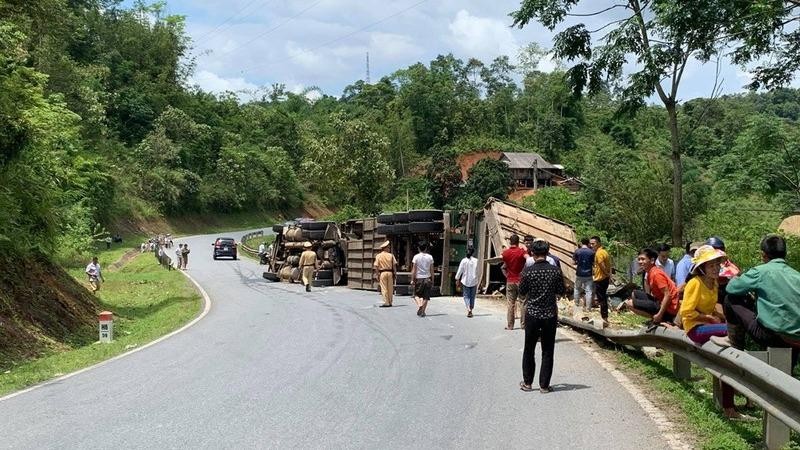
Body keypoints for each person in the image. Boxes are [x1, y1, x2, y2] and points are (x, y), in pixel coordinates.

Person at [712, 235, 800, 370]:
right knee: (785, 375)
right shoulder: (796, 276)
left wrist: (735, 278)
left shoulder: (760, 272)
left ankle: (733, 341)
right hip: (796, 338)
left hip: (769, 335)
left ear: (763, 255)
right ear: (785, 254)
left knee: (731, 299)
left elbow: (731, 288)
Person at [680, 245, 746, 419]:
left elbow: (711, 308)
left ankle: (729, 407)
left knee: (728, 358)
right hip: (695, 328)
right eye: (711, 265)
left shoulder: (714, 283)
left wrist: (719, 315)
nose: (716, 268)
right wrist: (708, 318)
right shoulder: (695, 283)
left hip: (708, 324)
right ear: (702, 268)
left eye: (717, 265)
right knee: (732, 330)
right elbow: (686, 312)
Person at [518, 239, 565, 393]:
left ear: (532, 253)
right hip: (550, 314)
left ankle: (528, 383)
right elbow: (561, 291)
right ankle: (544, 385)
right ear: (547, 252)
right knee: (547, 350)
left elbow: (522, 292)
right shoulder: (555, 270)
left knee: (529, 349)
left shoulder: (527, 271)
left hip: (531, 313)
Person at [624, 248, 680, 324]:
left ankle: (659, 318)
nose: (640, 262)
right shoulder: (650, 272)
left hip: (670, 309)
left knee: (629, 303)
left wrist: (659, 314)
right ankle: (655, 315)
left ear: (652, 260)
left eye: (643, 259)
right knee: (634, 293)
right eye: (639, 259)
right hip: (659, 301)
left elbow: (668, 295)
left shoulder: (656, 274)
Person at [502, 234, 529, 330]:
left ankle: (510, 325)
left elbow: (504, 265)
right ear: (518, 242)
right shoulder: (521, 252)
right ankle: (523, 325)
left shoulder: (505, 253)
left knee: (510, 304)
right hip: (521, 280)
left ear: (510, 242)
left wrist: (507, 276)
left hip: (510, 281)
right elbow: (528, 259)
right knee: (523, 303)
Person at [590, 236, 612, 322]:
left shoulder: (599, 253)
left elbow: (601, 264)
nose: (591, 245)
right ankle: (605, 316)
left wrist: (606, 274)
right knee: (603, 298)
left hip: (600, 279)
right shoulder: (604, 252)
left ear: (598, 243)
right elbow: (609, 265)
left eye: (593, 243)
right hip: (604, 278)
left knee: (601, 299)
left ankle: (604, 318)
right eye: (590, 244)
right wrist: (609, 275)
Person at [411, 242, 435, 317]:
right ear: (426, 248)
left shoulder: (416, 257)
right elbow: (432, 270)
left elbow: (414, 270)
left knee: (416, 295)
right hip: (427, 279)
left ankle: (420, 305)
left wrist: (412, 279)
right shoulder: (430, 257)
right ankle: (423, 312)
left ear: (418, 248)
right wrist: (433, 280)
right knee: (426, 297)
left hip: (419, 279)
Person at [572, 238, 595, 314]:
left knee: (577, 289)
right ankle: (588, 308)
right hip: (588, 274)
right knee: (588, 291)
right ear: (588, 243)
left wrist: (578, 262)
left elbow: (573, 262)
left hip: (579, 273)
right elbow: (594, 263)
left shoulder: (577, 251)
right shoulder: (591, 252)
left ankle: (576, 305)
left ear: (581, 243)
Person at [455, 247, 479, 317]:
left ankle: (468, 309)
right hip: (474, 281)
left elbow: (460, 271)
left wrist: (457, 279)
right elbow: (479, 271)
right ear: (473, 253)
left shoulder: (463, 261)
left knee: (466, 296)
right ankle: (471, 309)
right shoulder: (476, 261)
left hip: (465, 281)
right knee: (472, 296)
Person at [373, 241, 397, 307]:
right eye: (388, 247)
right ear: (385, 248)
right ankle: (390, 301)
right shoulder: (391, 255)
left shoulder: (378, 256)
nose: (389, 248)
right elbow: (394, 266)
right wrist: (395, 274)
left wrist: (377, 274)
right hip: (390, 273)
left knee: (384, 288)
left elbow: (376, 266)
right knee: (390, 288)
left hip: (382, 273)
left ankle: (386, 302)